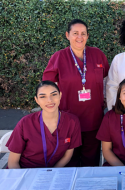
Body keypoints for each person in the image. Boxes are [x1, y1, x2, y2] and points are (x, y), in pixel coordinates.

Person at [43, 19, 109, 167]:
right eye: (75, 33)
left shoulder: (98, 55)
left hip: (94, 120)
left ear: (87, 36)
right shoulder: (59, 57)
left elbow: (107, 79)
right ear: (67, 35)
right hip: (68, 120)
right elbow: (47, 86)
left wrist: (105, 98)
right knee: (69, 162)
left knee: (91, 162)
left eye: (83, 33)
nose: (79, 37)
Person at [6, 81, 81, 168]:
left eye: (54, 94)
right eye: (43, 96)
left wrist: (51, 174)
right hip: (25, 172)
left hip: (55, 172)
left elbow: (67, 156)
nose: (49, 100)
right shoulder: (25, 123)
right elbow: (13, 162)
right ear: (37, 100)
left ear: (60, 95)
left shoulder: (72, 121)